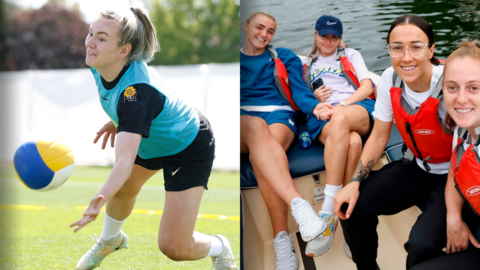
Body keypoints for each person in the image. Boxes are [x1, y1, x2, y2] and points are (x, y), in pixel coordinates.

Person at [69, 6, 237, 270]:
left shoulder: (137, 94)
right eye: (91, 33)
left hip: (189, 146)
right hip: (154, 138)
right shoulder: (100, 63)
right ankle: (109, 240)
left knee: (174, 247)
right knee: (124, 191)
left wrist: (98, 200)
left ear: (124, 50)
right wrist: (119, 122)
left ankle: (220, 245)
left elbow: (124, 161)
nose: (90, 43)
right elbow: (130, 103)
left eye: (102, 38)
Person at [333, 14, 452, 270]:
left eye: (416, 47)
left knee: (419, 246)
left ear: (431, 49)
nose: (406, 57)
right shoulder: (390, 78)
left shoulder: (451, 85)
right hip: (417, 167)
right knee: (350, 205)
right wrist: (354, 183)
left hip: (453, 176)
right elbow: (379, 136)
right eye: (397, 48)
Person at [241, 11, 329, 270]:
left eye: (270, 31)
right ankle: (300, 207)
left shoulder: (284, 57)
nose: (264, 34)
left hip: (279, 115)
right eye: (259, 27)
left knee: (264, 154)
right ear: (245, 26)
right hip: (243, 120)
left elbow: (301, 94)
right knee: (256, 129)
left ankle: (282, 242)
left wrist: (315, 108)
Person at [302, 15, 375, 257]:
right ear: (315, 35)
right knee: (352, 141)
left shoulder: (351, 55)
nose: (329, 41)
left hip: (353, 108)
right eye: (324, 36)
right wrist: (316, 99)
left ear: (340, 38)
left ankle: (328, 209)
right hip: (324, 115)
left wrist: (341, 105)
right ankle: (346, 221)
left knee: (341, 120)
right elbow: (297, 97)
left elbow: (366, 87)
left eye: (334, 37)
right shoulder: (306, 63)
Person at [409, 41, 480, 270]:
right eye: (452, 87)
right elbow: (455, 172)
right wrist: (453, 217)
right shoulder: (461, 129)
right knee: (418, 247)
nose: (460, 99)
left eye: (473, 88)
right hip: (471, 203)